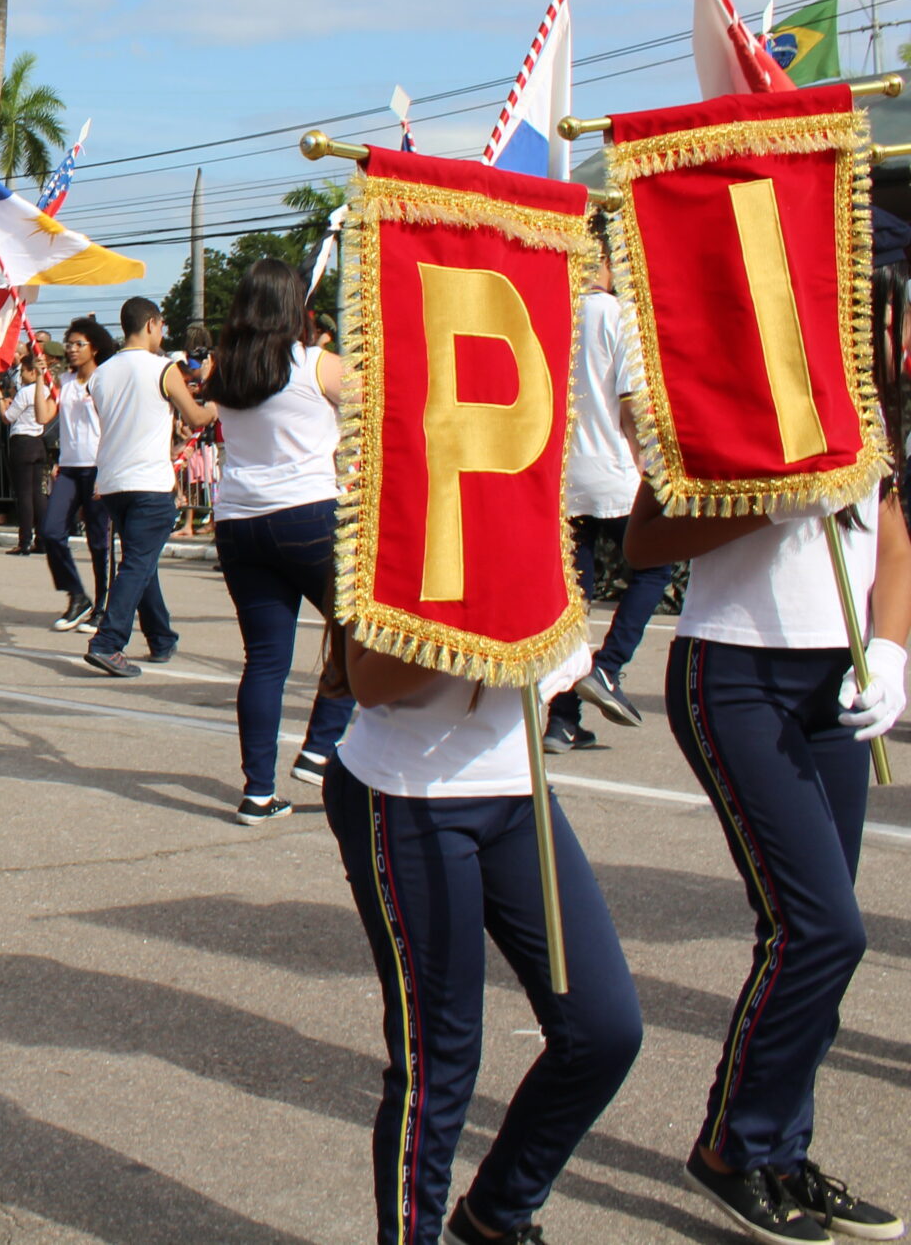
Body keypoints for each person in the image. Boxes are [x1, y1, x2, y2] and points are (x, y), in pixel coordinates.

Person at [624, 480, 907, 1243]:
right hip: (737, 670)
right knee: (822, 931)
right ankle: (732, 1146)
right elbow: (642, 540)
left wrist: (891, 648)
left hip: (835, 680)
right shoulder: (719, 377)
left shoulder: (856, 376)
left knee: (814, 943)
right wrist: (764, 502)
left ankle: (782, 1152)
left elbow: (892, 536)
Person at [327, 637, 642, 1244]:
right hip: (407, 794)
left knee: (605, 1030)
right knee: (440, 1057)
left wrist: (558, 637)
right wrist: (488, 623)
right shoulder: (395, 532)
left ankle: (495, 1216)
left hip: (518, 793)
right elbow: (366, 679)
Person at [196, 260, 355, 823]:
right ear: (294, 308)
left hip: (239, 521)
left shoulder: (226, 371)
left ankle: (257, 792)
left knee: (264, 661)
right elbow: (385, 402)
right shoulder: (316, 364)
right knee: (361, 632)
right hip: (310, 515)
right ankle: (320, 746)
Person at [548, 251, 663, 751]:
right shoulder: (616, 313)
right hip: (614, 468)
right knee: (657, 567)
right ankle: (609, 668)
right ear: (607, 267)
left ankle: (562, 719)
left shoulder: (552, 312)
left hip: (565, 477)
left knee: (577, 599)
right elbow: (629, 402)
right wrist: (646, 463)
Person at [80, 296, 213, 678]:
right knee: (138, 562)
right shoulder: (162, 368)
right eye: (162, 326)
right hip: (150, 481)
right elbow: (196, 415)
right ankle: (108, 642)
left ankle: (161, 637)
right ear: (152, 324)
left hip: (113, 481)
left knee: (142, 561)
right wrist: (216, 405)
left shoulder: (101, 373)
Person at [43, 316, 113, 631]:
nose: (71, 350)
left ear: (94, 348)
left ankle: (102, 605)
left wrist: (108, 472)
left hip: (99, 468)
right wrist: (41, 384)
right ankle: (76, 595)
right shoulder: (65, 383)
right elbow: (44, 415)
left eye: (78, 344)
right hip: (70, 469)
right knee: (51, 531)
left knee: (99, 542)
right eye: (69, 344)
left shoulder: (106, 379)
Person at [4, 345, 52, 556]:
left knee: (24, 495)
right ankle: (41, 539)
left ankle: (24, 541)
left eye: (23, 371)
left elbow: (8, 417)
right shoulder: (47, 390)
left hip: (22, 442)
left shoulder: (25, 392)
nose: (21, 375)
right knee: (37, 494)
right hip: (38, 442)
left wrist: (0, 401)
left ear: (33, 372)